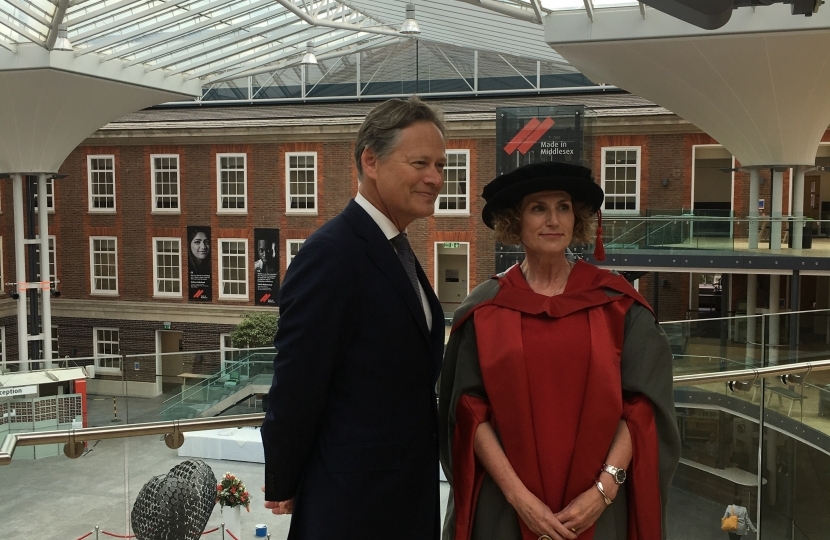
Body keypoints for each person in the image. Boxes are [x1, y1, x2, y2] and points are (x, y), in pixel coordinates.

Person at [439, 162, 681, 540]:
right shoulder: (485, 309)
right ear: (514, 222)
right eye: (538, 208)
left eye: (564, 207)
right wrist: (520, 499)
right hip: (505, 507)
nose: (553, 220)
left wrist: (604, 490)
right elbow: (469, 411)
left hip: (597, 509)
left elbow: (644, 405)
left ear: (577, 217)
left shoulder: (618, 304)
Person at [261, 96, 448, 540]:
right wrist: (284, 479)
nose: (435, 178)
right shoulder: (332, 253)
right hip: (353, 503)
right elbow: (297, 381)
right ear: (370, 160)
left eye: (441, 165)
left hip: (401, 494)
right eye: (420, 162)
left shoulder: (394, 248)